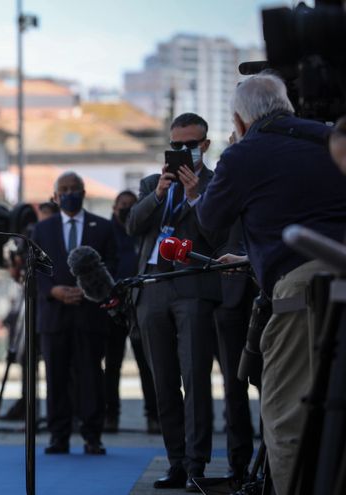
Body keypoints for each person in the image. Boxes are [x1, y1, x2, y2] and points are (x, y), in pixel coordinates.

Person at [196, 73, 346, 494]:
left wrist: (235, 151)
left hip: (302, 296)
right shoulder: (333, 139)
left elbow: (210, 220)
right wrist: (251, 257)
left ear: (240, 122)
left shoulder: (245, 153)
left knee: (287, 418)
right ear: (289, 106)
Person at [126, 113, 228, 491]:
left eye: (189, 145)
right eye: (175, 146)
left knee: (195, 378)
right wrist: (158, 195)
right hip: (152, 288)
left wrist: (195, 197)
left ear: (204, 146)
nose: (182, 152)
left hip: (192, 288)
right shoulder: (153, 183)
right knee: (163, 382)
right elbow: (133, 226)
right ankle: (176, 463)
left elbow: (216, 235)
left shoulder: (216, 184)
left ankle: (197, 464)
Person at [32, 171, 116, 456]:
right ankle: (59, 436)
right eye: (63, 189)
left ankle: (93, 435)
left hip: (89, 314)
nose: (69, 193)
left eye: (74, 188)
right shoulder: (42, 230)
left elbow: (112, 266)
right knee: (55, 377)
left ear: (83, 192)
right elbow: (35, 270)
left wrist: (91, 289)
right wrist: (53, 291)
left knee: (91, 376)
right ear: (55, 196)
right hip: (54, 315)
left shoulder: (102, 227)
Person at [103, 190, 159, 435]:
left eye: (130, 205)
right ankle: (110, 415)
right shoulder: (106, 232)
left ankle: (153, 417)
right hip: (115, 306)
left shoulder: (142, 230)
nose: (125, 209)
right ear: (114, 207)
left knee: (146, 365)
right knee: (112, 365)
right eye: (122, 205)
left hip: (140, 304)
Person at [212, 222, 256, 483]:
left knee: (270, 382)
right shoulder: (221, 184)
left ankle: (272, 462)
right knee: (233, 384)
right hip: (227, 297)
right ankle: (238, 463)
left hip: (270, 295)